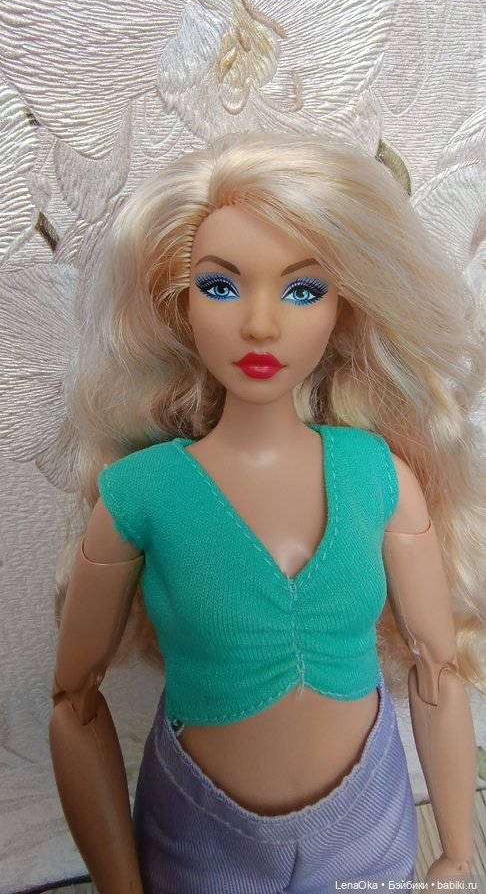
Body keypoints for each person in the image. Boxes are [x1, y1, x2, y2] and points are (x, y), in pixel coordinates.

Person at [49, 132, 485, 894]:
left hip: (369, 828)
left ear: (344, 307)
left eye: (302, 290)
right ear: (178, 302)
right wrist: (120, 882)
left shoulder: (376, 475)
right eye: (221, 286)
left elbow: (437, 670)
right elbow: (72, 701)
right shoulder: (142, 492)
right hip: (201, 840)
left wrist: (455, 850)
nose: (260, 324)